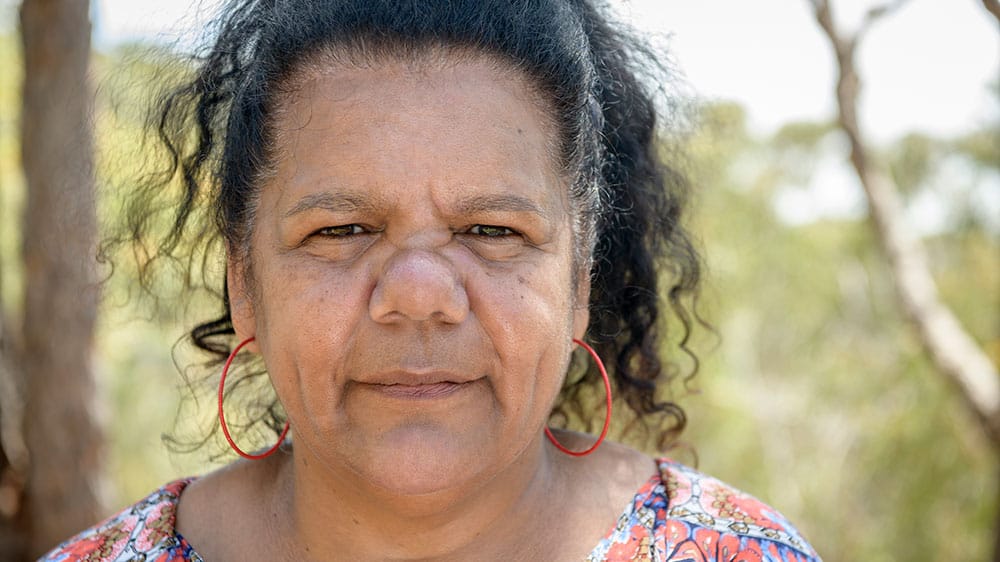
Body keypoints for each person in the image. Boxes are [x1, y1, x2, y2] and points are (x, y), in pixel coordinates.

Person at [42, 1, 820, 560]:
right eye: (341, 230)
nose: (419, 293)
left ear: (578, 281)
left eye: (493, 231)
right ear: (244, 282)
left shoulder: (736, 552)